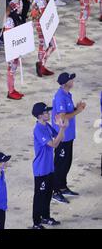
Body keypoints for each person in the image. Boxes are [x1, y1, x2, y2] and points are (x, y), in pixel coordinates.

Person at [32, 102, 68, 229]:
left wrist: (61, 126)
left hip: (49, 167)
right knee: (39, 196)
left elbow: (60, 139)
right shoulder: (38, 129)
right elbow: (53, 144)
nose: (49, 113)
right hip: (41, 169)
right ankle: (36, 222)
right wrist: (62, 129)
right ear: (40, 115)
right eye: (46, 112)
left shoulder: (46, 125)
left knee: (47, 194)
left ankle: (46, 217)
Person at [52, 72, 86, 204]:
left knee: (67, 162)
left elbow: (68, 112)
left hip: (69, 135)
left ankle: (62, 186)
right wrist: (79, 110)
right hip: (63, 137)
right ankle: (55, 191)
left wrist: (76, 108)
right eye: (71, 79)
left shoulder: (67, 94)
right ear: (66, 83)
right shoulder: (60, 97)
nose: (73, 81)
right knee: (60, 165)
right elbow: (62, 117)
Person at [30, 0, 56, 77]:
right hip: (43, 25)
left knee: (42, 45)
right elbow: (43, 14)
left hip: (38, 25)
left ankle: (42, 66)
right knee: (52, 45)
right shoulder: (40, 0)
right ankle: (41, 64)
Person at [3, 0, 24, 100]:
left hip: (15, 47)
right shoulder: (10, 20)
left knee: (13, 69)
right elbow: (8, 36)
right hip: (12, 49)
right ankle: (10, 91)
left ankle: (12, 89)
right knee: (11, 70)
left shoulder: (15, 18)